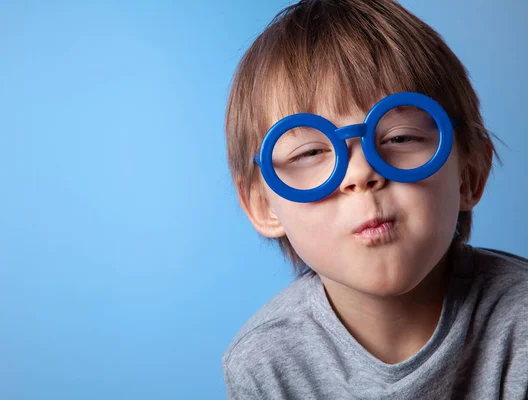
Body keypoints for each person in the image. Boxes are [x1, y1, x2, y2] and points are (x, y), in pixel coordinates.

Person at [221, 0, 528, 398]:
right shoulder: (265, 361)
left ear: (469, 174)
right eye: (311, 152)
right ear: (264, 206)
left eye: (400, 138)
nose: (361, 173)